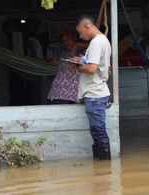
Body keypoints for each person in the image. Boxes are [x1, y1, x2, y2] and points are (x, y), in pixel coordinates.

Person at [71, 15, 112, 161]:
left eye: (80, 32)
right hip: (97, 92)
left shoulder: (95, 42)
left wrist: (76, 66)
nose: (81, 36)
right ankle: (102, 169)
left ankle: (105, 166)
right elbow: (97, 65)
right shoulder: (103, 40)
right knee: (97, 131)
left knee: (98, 132)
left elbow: (92, 69)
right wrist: (81, 61)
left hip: (95, 93)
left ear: (87, 26)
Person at [28, 29, 87, 104]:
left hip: (73, 96)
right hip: (56, 94)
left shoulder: (84, 53)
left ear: (74, 38)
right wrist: (32, 59)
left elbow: (97, 45)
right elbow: (49, 62)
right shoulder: (63, 55)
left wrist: (78, 44)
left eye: (68, 39)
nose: (66, 42)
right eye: (64, 41)